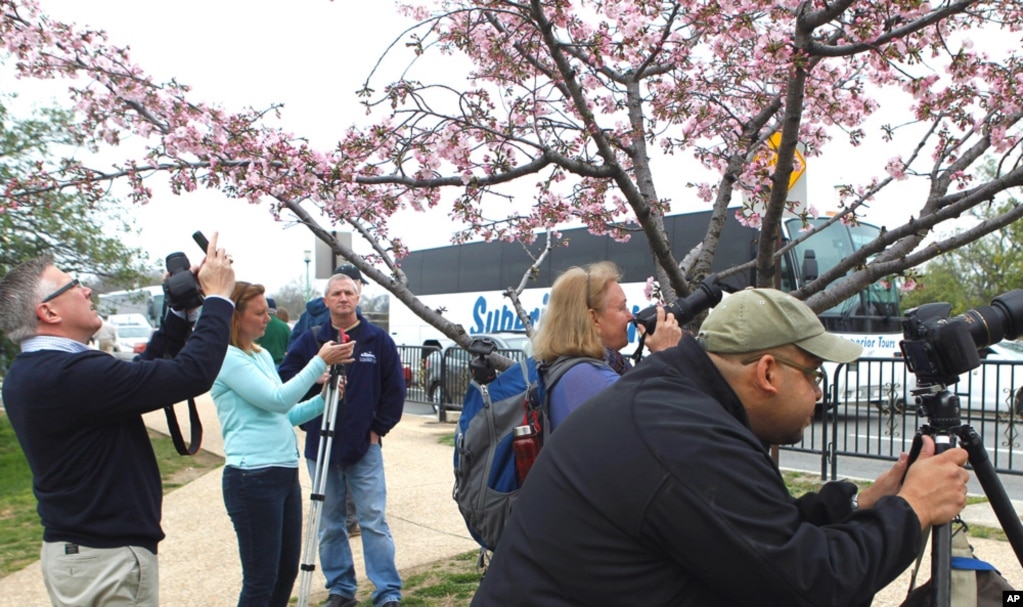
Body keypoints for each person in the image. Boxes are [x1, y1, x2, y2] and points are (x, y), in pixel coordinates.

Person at [472, 287, 970, 607]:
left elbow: (751, 533)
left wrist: (859, 506)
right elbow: (811, 587)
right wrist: (914, 508)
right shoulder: (682, 434)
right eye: (814, 374)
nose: (819, 393)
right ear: (768, 372)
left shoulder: (676, 403)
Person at [0, 234, 235, 607]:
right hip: (105, 557)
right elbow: (191, 374)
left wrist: (179, 311)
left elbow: (137, 377)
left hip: (83, 551)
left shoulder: (36, 370)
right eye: (74, 285)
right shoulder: (70, 374)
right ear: (49, 312)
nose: (88, 290)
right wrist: (220, 298)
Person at [211, 281, 355, 607]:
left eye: (269, 312)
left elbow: (286, 413)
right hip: (252, 479)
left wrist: (324, 398)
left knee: (285, 573)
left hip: (283, 474)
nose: (268, 319)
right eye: (260, 313)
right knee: (261, 580)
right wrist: (318, 361)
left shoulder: (259, 354)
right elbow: (277, 399)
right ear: (235, 317)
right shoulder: (227, 358)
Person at [279, 272, 405, 607]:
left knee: (373, 521)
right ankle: (341, 589)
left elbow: (394, 391)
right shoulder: (310, 340)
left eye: (349, 292)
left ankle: (387, 591)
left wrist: (378, 429)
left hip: (364, 448)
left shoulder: (377, 341)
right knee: (330, 524)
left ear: (358, 297)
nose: (343, 298)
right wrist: (315, 376)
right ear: (326, 301)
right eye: (336, 293)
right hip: (320, 447)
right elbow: (285, 384)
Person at [531, 261, 683, 429]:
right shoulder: (592, 379)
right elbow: (666, 423)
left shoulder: (566, 368)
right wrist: (667, 353)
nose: (630, 316)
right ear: (594, 319)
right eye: (622, 308)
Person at [287, 264, 366, 349]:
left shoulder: (307, 314)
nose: (361, 288)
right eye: (360, 283)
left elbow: (293, 344)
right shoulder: (347, 314)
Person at [256, 297, 291, 365]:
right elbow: (290, 347)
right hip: (280, 364)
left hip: (260, 363)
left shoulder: (256, 325)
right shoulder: (285, 327)